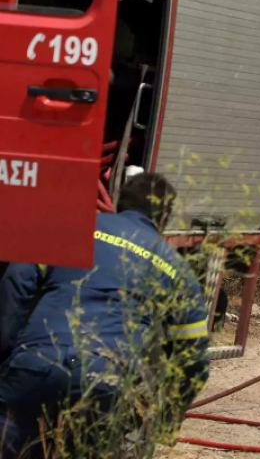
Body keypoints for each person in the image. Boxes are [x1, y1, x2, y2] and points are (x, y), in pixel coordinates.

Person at [0, 173, 209, 459]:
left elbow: (16, 279)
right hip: (103, 384)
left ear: (119, 204)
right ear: (164, 218)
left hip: (35, 364)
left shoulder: (69, 228)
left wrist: (7, 352)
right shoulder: (177, 269)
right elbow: (194, 359)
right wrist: (168, 419)